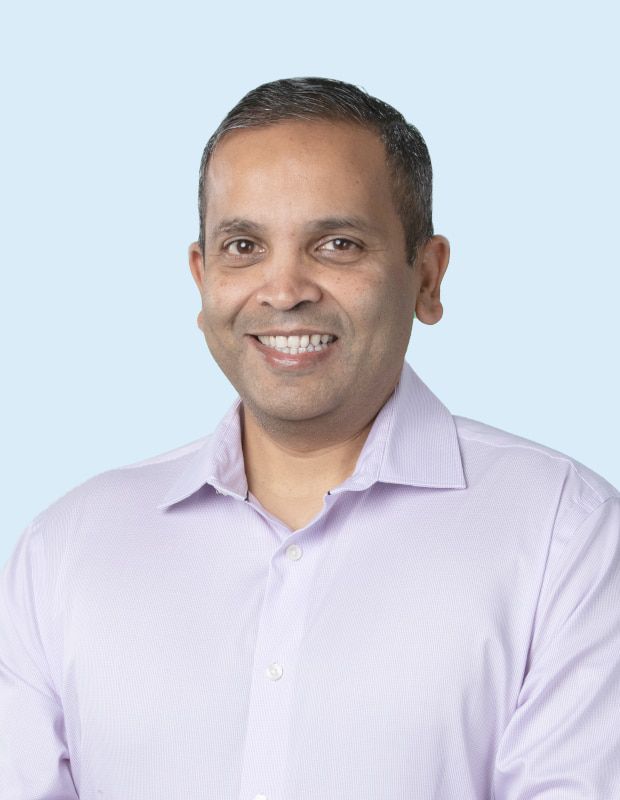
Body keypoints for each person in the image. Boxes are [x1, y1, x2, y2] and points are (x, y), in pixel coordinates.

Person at [1, 76, 618, 800]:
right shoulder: (67, 548)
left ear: (426, 277)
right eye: (243, 246)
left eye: (337, 244)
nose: (285, 288)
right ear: (202, 278)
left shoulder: (564, 534)